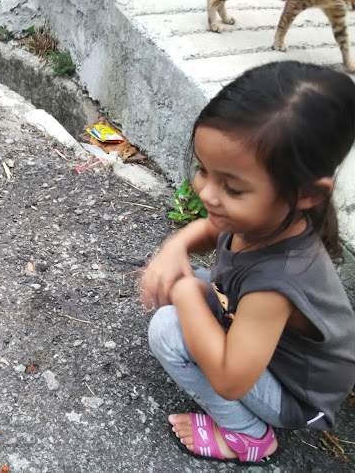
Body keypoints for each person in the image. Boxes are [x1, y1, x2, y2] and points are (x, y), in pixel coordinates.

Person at [140, 60, 355, 464]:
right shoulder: (267, 216)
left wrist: (185, 293)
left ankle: (249, 437)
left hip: (298, 395)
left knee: (169, 328)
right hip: (269, 346)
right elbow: (210, 229)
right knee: (199, 283)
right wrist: (177, 245)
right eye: (204, 170)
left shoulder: (278, 284)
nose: (206, 192)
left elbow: (230, 379)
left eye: (232, 188)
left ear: (306, 193)